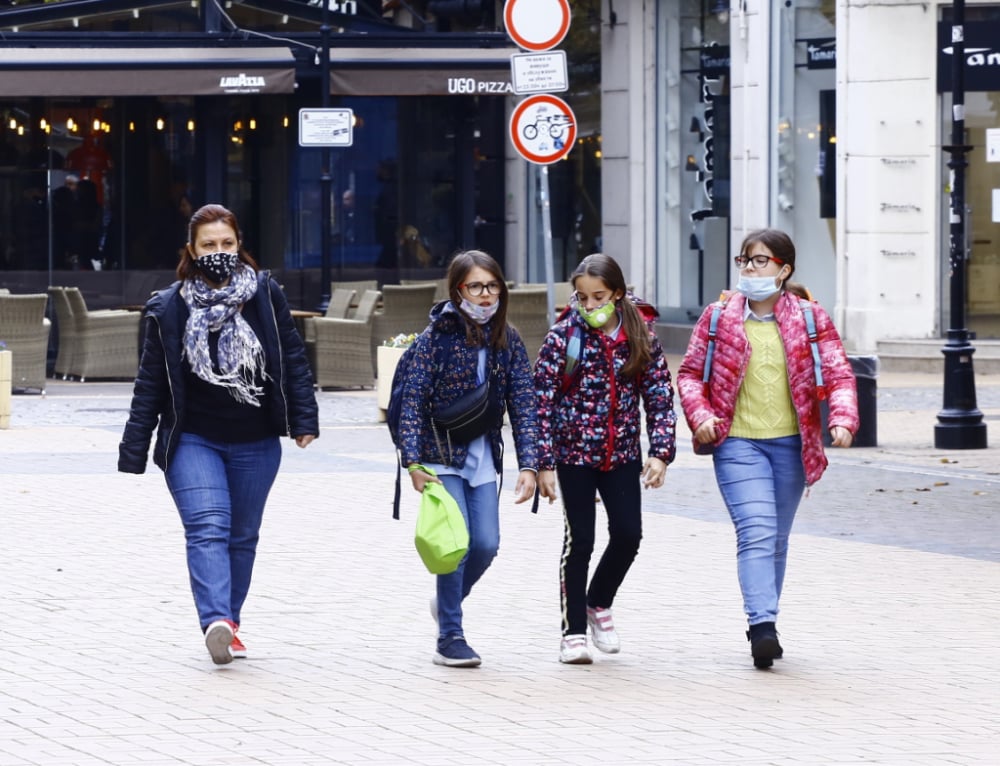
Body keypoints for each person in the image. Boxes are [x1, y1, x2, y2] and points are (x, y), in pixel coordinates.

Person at [118, 203, 319, 665]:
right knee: (208, 527)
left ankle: (231, 621)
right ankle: (216, 621)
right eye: (209, 245)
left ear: (239, 244)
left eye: (227, 243)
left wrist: (303, 419)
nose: (219, 252)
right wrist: (133, 448)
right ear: (192, 249)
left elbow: (292, 357)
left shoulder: (265, 295)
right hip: (193, 440)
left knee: (242, 536)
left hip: (256, 440)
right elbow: (151, 380)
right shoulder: (169, 306)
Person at [676, 227, 859, 669]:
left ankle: (766, 620)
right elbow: (688, 375)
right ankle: (762, 626)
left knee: (775, 539)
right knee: (756, 531)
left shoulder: (811, 319)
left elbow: (838, 374)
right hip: (737, 442)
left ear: (784, 269)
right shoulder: (719, 317)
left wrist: (842, 418)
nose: (750, 269)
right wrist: (701, 418)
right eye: (745, 261)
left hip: (792, 447)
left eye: (760, 261)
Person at [396, 249, 539, 668]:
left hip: (482, 458)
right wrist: (413, 463)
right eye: (476, 286)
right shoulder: (434, 339)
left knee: (486, 545)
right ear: (458, 290)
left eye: (492, 286)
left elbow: (524, 403)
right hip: (440, 456)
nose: (485, 295)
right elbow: (413, 402)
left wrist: (528, 463)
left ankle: (447, 602)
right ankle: (451, 636)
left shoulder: (507, 339)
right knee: (455, 546)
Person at [533, 253, 677, 665]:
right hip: (574, 456)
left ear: (617, 293)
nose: (591, 305)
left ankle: (599, 602)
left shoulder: (641, 337)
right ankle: (573, 632)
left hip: (623, 456)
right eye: (582, 297)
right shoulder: (564, 337)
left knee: (629, 535)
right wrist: (543, 461)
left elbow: (660, 398)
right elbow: (541, 402)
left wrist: (661, 453)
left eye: (599, 297)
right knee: (580, 541)